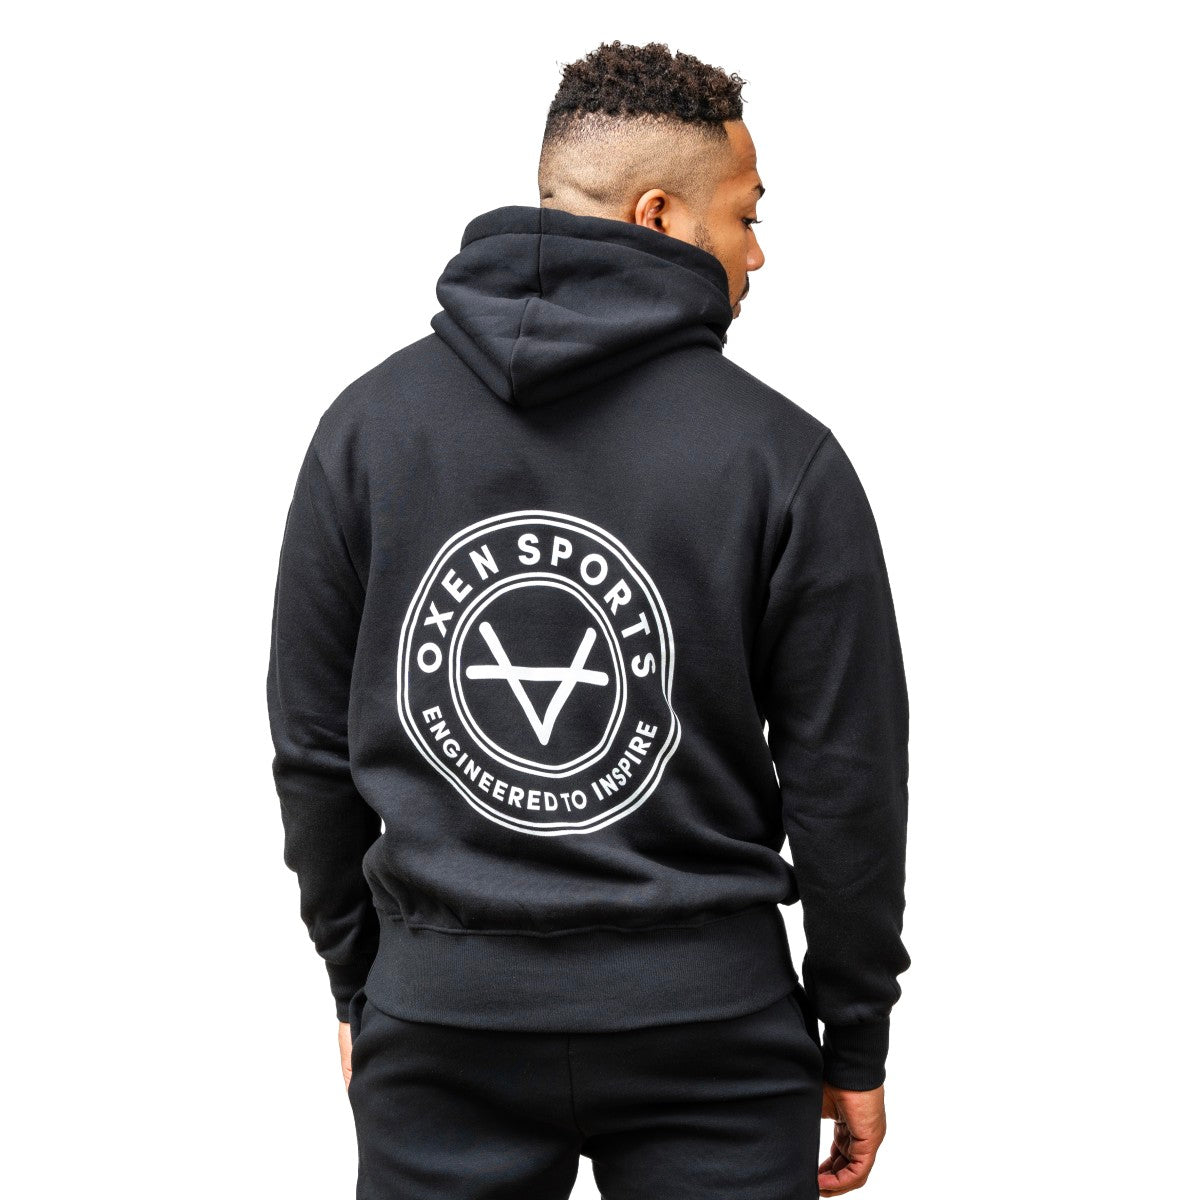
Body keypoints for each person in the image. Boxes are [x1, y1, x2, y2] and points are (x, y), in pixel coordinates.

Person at [266, 39, 910, 1200]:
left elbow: (312, 751)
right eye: (745, 216)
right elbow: (847, 782)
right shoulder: (782, 457)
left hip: (443, 1027)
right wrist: (853, 1037)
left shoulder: (366, 430)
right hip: (711, 1035)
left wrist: (373, 985)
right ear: (661, 215)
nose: (757, 252)